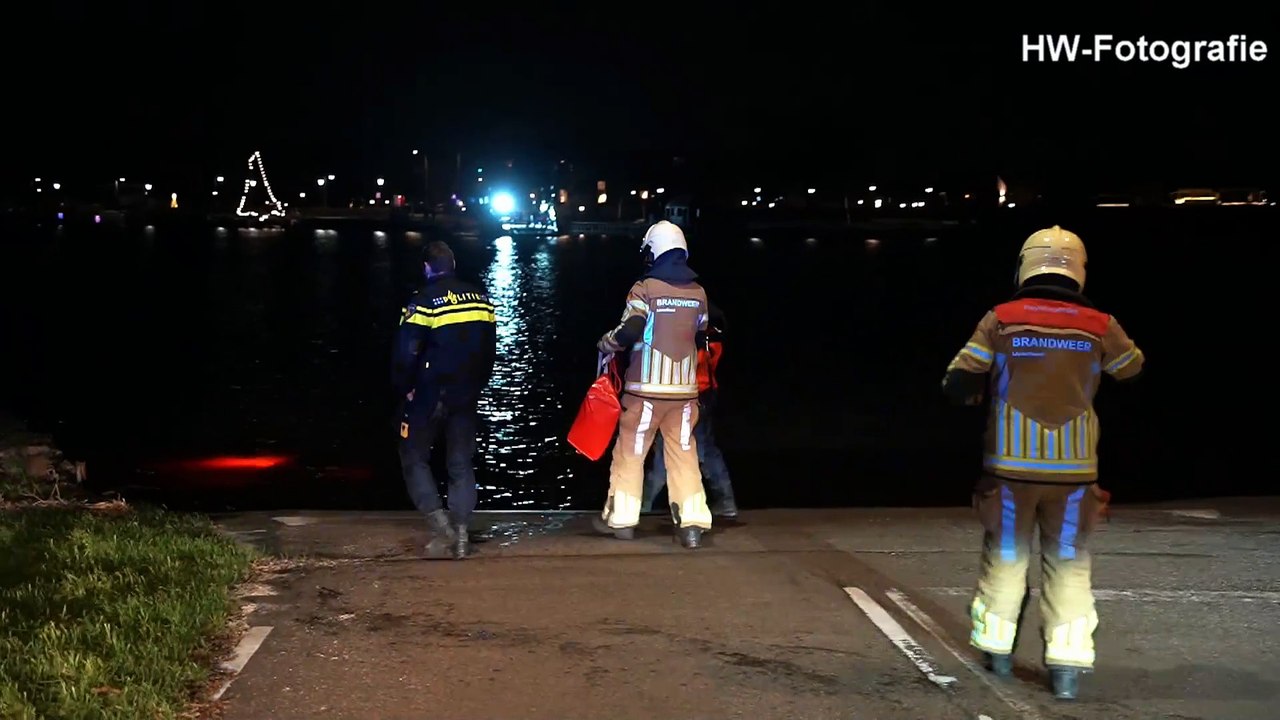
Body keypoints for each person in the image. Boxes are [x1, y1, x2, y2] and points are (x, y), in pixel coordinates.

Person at [941, 226, 1144, 700]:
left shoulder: (1002, 318)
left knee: (1007, 559)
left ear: (1025, 264)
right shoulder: (1099, 322)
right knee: (1069, 563)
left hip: (1010, 469)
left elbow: (958, 377)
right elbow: (1131, 368)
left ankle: (997, 652)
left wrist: (976, 392)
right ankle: (1067, 666)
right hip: (1075, 473)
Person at [593, 220, 713, 548]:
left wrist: (606, 343)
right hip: (685, 393)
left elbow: (630, 329)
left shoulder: (644, 288)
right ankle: (691, 525)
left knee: (631, 452)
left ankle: (622, 520)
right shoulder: (698, 293)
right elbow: (702, 332)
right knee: (684, 453)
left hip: (644, 390)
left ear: (653, 251)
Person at [392, 240, 497, 560]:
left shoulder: (422, 302)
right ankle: (462, 534)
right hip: (465, 395)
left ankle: (443, 530)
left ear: (426, 267)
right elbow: (490, 350)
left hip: (428, 394)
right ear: (453, 265)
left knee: (413, 457)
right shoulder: (481, 299)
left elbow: (405, 352)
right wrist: (478, 384)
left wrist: (404, 387)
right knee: (461, 463)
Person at [642, 301, 738, 518]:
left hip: (684, 395)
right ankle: (726, 502)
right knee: (705, 450)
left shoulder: (687, 333)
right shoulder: (710, 332)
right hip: (704, 394)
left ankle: (642, 505)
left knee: (667, 448)